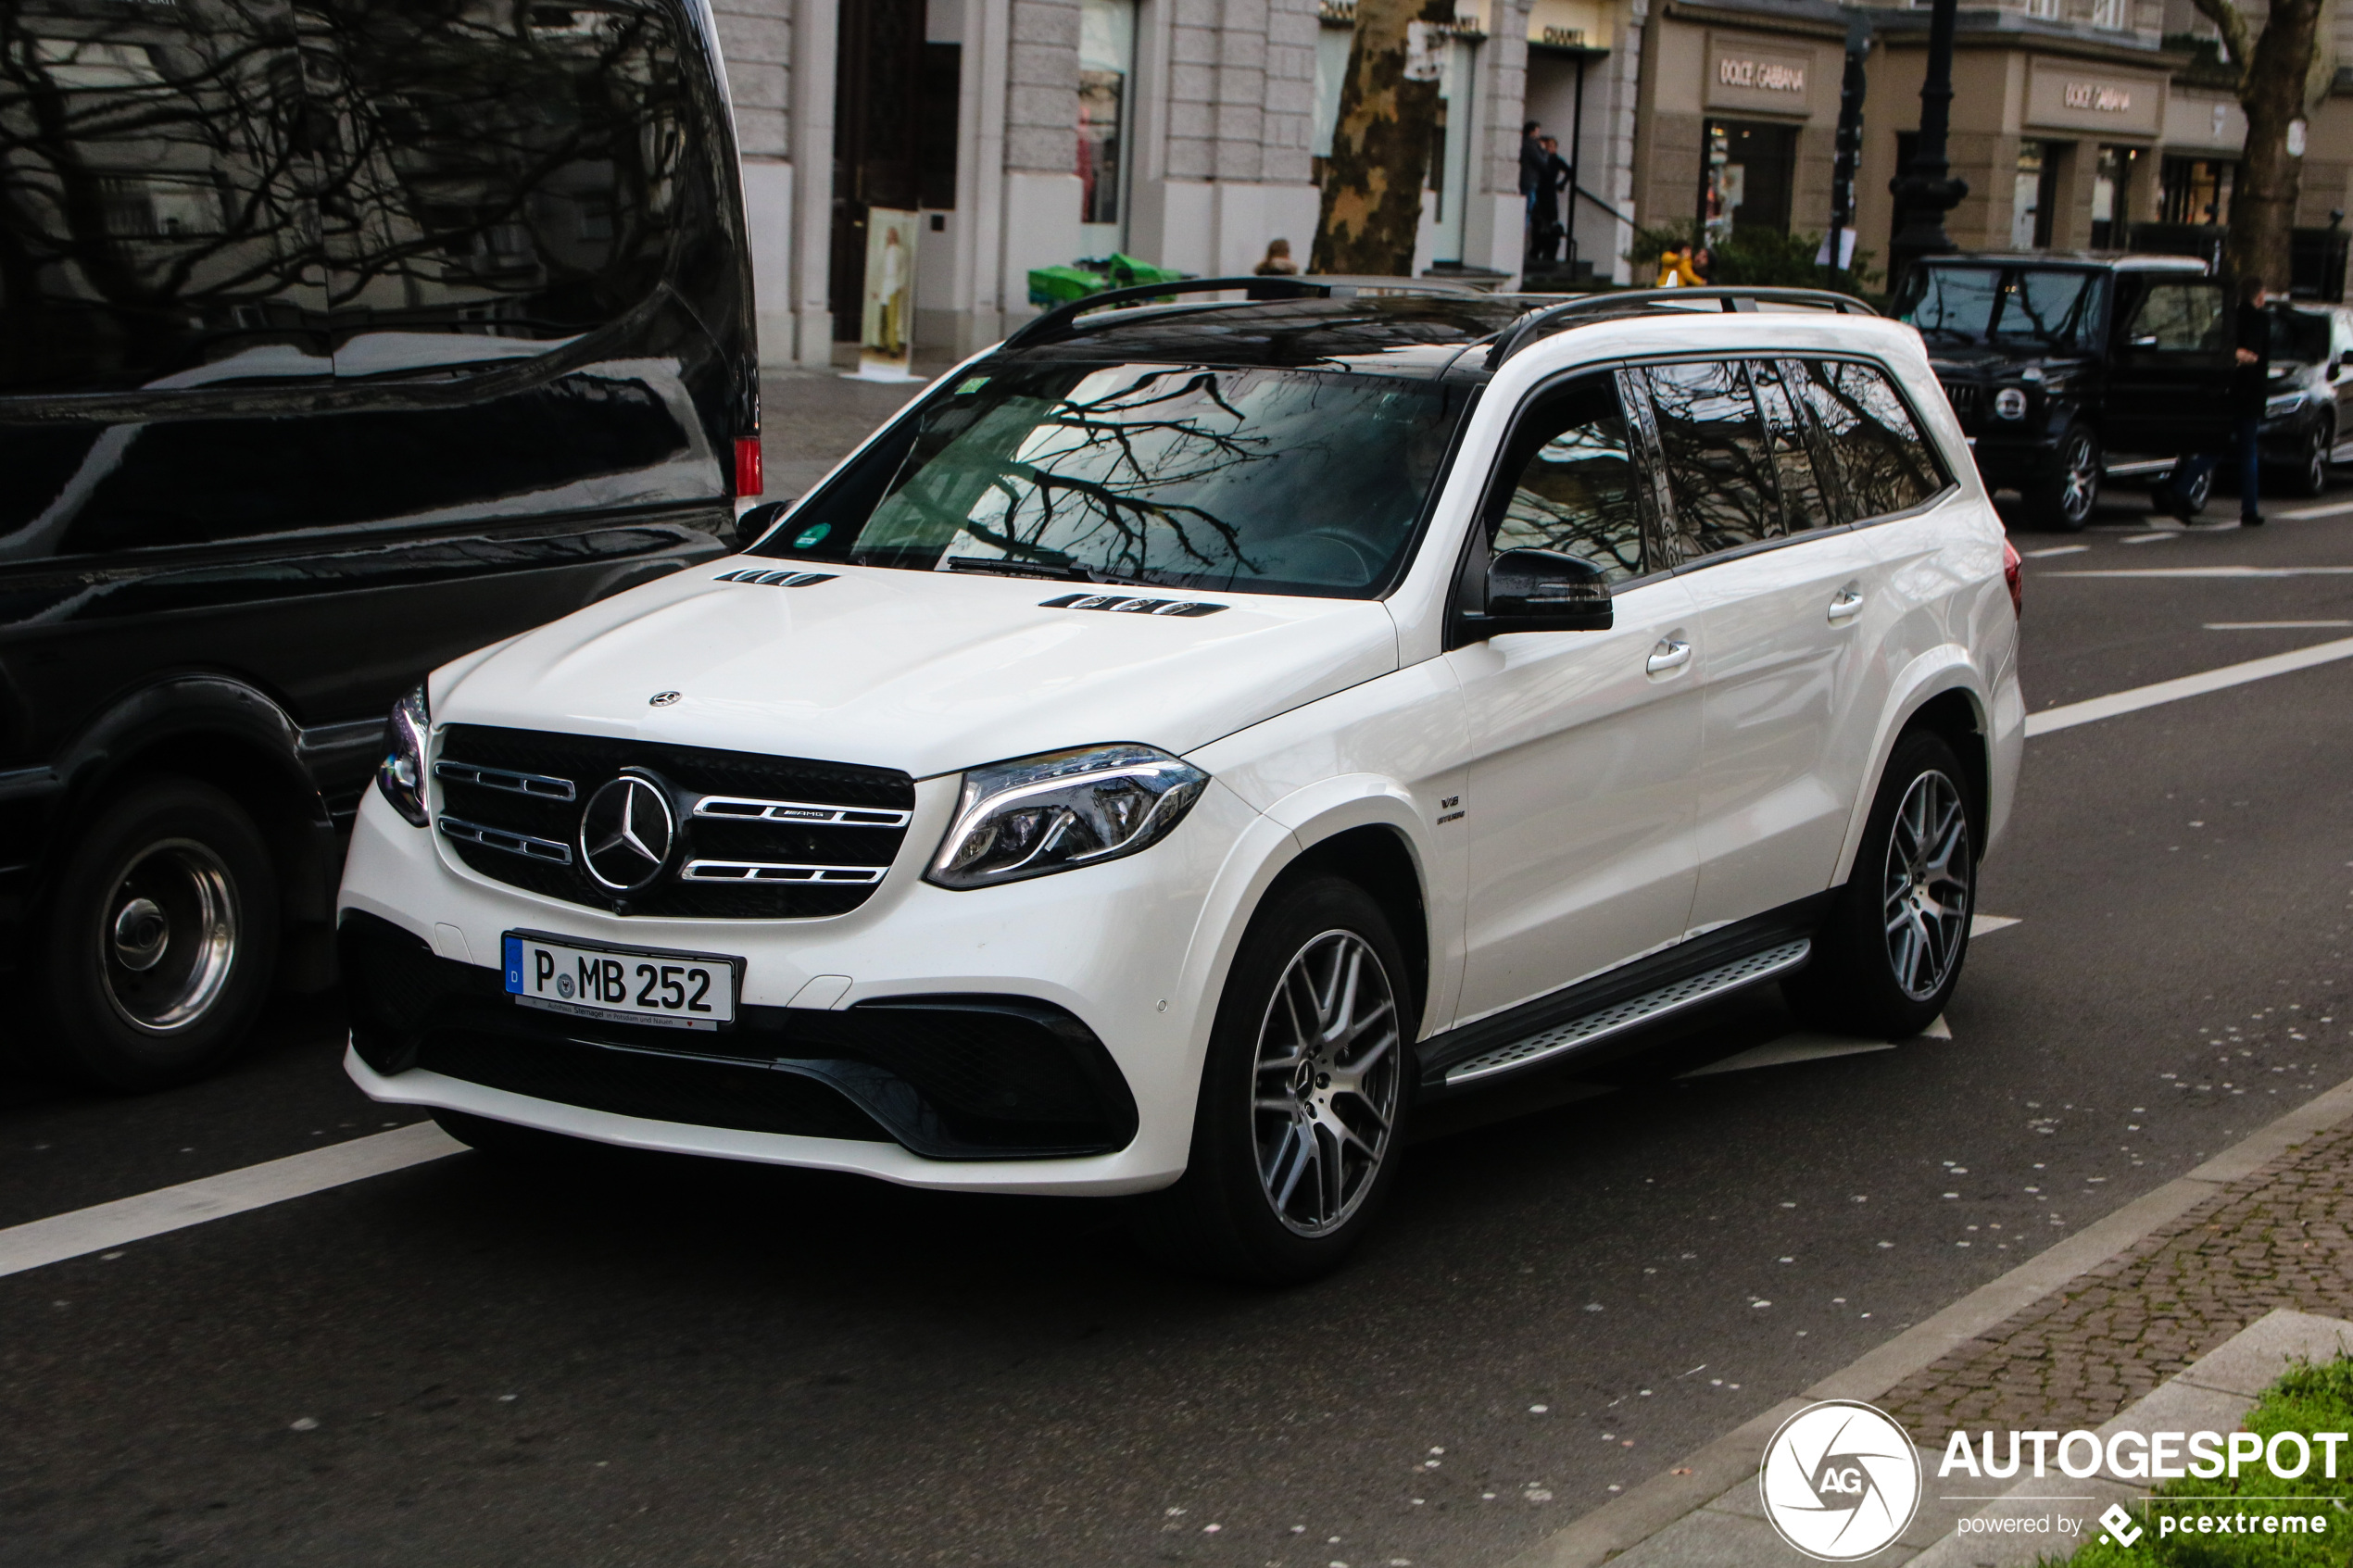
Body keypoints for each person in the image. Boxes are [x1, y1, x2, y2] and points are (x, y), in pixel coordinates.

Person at [2158, 274, 2272, 527]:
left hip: (2224, 391)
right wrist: (2239, 357)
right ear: (2260, 296)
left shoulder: (2228, 316)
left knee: (2214, 448)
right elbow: (2252, 355)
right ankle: (2249, 509)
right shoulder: (2260, 319)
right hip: (2249, 393)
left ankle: (2180, 489)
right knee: (2248, 452)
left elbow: (2210, 342)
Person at [1529, 135, 1572, 265]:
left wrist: (1562, 184)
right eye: (1548, 146)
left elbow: (1569, 171)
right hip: (1540, 191)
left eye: (1553, 146)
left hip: (1550, 192)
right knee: (1538, 220)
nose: (1550, 148)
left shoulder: (1556, 160)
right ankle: (1536, 249)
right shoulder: (1542, 158)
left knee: (1551, 218)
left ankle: (1548, 250)